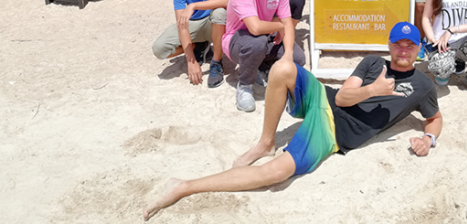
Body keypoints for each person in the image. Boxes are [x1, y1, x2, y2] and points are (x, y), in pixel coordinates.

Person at [143, 21, 442, 221]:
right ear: (389, 44)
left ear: (418, 49)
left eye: (410, 45)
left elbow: (435, 118)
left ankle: (184, 186)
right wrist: (373, 90)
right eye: (398, 44)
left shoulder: (423, 86)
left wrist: (428, 139)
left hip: (334, 131)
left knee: (277, 172)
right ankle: (265, 143)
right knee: (283, 67)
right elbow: (342, 98)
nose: (404, 50)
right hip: (324, 98)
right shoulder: (373, 63)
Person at [223, 0, 306, 112]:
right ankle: (245, 86)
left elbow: (287, 23)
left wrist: (288, 55)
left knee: (298, 58)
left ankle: (263, 68)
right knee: (257, 42)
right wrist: (280, 25)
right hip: (237, 41)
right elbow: (255, 28)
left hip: (264, 36)